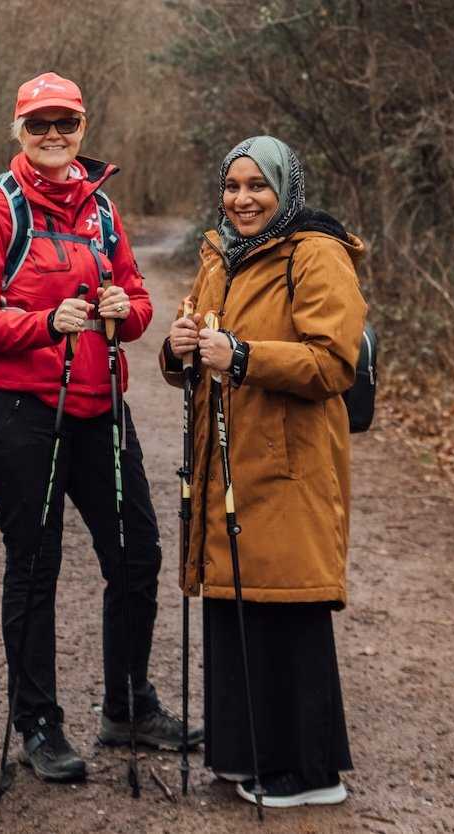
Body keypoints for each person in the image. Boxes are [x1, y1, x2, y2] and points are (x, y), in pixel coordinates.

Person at [0, 71, 202, 785]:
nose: (53, 135)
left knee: (138, 553)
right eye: (39, 125)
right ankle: (38, 721)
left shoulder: (103, 211)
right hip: (20, 412)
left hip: (98, 407)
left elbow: (140, 304)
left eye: (66, 123)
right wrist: (40, 325)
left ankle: (126, 706)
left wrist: (127, 308)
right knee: (36, 568)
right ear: (18, 132)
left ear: (84, 129)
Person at [160, 135, 366, 807]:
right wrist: (179, 347)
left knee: (288, 604)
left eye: (257, 187)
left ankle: (308, 773)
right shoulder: (222, 253)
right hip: (225, 462)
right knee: (236, 602)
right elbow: (198, 340)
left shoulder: (316, 253)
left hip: (289, 463)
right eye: (232, 186)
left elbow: (334, 363)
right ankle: (242, 751)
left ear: (285, 189)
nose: (242, 199)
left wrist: (243, 356)